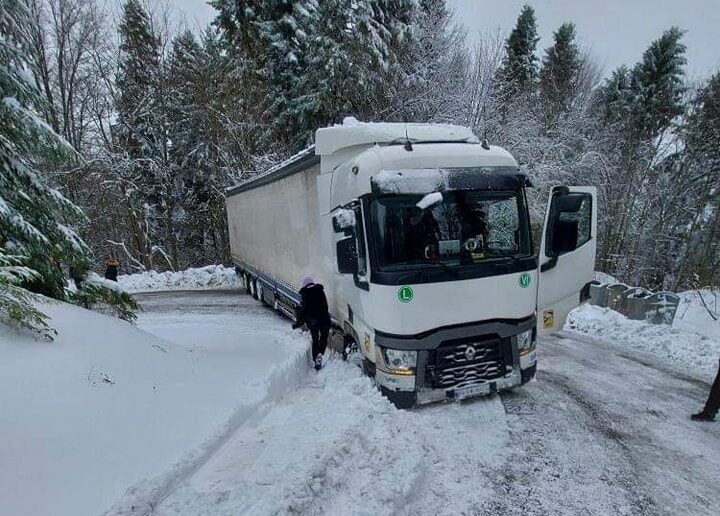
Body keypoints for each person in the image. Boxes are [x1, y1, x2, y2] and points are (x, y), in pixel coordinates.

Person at [292, 276, 331, 370]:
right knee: (324, 337)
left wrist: (298, 323)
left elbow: (304, 311)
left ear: (305, 284)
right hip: (324, 318)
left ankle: (316, 357)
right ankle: (320, 353)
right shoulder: (320, 290)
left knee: (315, 339)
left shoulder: (305, 294)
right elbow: (326, 306)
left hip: (313, 321)